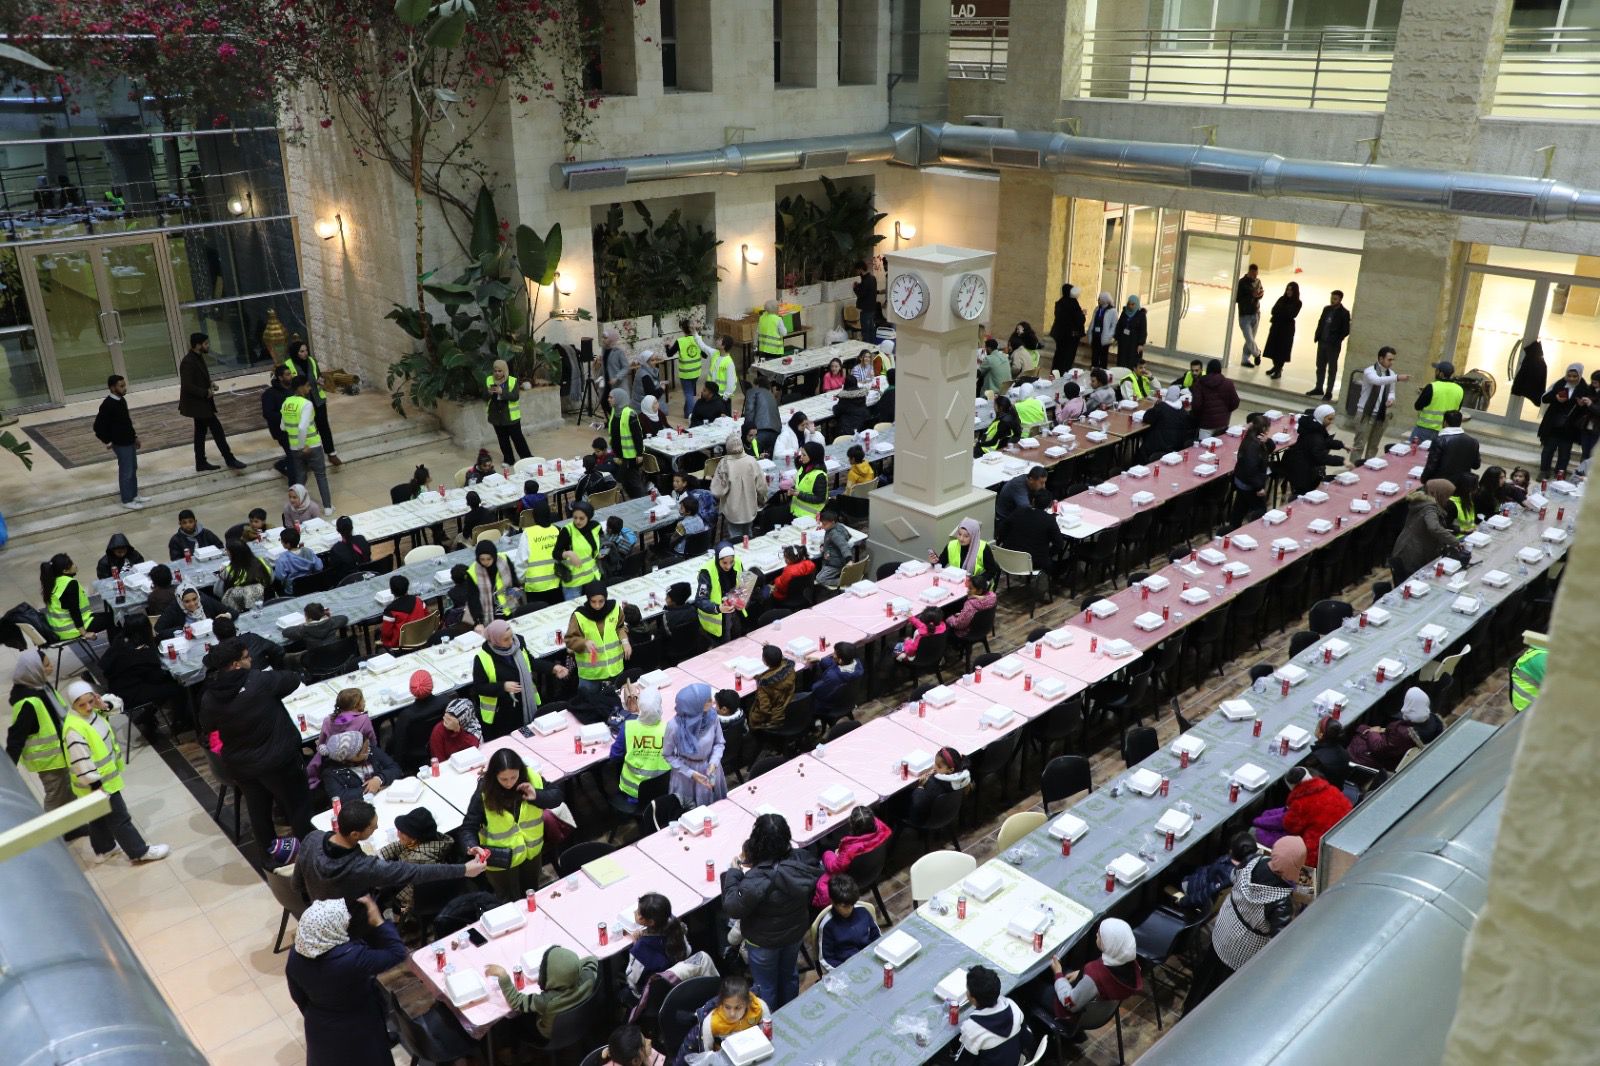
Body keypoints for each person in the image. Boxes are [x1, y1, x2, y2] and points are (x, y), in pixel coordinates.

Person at [200, 639, 316, 844]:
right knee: (298, 808)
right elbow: (292, 679)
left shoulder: (210, 696)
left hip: (242, 765)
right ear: (235, 664)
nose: (251, 659)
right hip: (277, 761)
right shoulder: (258, 680)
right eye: (246, 657)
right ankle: (309, 849)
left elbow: (207, 726)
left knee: (259, 814)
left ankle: (269, 856)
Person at [1182, 836, 1305, 1013]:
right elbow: (1278, 943)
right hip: (1240, 953)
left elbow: (1233, 876)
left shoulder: (1253, 861)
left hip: (1222, 932)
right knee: (1219, 998)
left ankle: (1187, 1015)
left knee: (1203, 982)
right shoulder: (1281, 902)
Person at [286, 896, 407, 1066]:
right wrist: (378, 921)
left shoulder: (295, 955)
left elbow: (299, 997)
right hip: (359, 1026)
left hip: (320, 1027)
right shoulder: (350, 959)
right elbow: (397, 952)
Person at [60, 680, 169, 863]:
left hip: (102, 780)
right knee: (120, 818)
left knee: (98, 817)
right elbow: (81, 763)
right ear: (73, 705)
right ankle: (139, 852)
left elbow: (117, 706)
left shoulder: (94, 711)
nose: (88, 707)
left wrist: (103, 704)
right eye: (82, 705)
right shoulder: (74, 730)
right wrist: (97, 787)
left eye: (90, 701)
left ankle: (104, 849)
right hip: (98, 784)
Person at [721, 813, 822, 1009]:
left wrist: (734, 872)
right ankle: (790, 1013)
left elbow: (732, 907)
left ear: (757, 841)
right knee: (789, 975)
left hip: (763, 941)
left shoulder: (756, 879)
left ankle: (770, 1020)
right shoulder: (802, 861)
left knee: (766, 986)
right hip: (794, 932)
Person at [295, 799, 485, 899]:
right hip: (355, 924)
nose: (377, 828)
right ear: (355, 834)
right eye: (372, 827)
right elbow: (416, 872)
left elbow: (297, 884)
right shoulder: (363, 868)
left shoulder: (312, 838)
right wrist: (464, 869)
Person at [456, 746, 564, 899]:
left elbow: (557, 796)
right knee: (508, 899)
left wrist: (537, 796)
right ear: (494, 776)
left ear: (520, 770)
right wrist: (471, 845)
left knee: (531, 894)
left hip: (531, 853)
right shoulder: (484, 792)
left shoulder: (532, 777)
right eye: (504, 779)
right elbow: (468, 827)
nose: (509, 783)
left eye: (514, 777)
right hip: (501, 861)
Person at [479, 618, 569, 740]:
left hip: (526, 700)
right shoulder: (483, 658)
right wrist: (503, 686)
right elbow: (479, 687)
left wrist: (553, 668)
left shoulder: (518, 643)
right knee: (514, 740)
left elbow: (530, 662)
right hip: (503, 711)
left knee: (530, 737)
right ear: (495, 640)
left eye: (511, 636)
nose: (511, 642)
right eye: (506, 639)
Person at [7, 651, 73, 814]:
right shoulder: (28, 703)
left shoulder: (43, 686)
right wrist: (8, 769)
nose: (51, 667)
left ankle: (74, 824)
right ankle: (52, 828)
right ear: (34, 669)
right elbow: (16, 738)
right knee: (56, 798)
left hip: (63, 753)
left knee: (70, 793)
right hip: (49, 762)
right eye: (46, 665)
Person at [1047, 918, 1143, 1025]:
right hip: (1099, 1010)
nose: (1097, 934)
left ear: (1109, 944)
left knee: (1036, 986)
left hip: (1073, 1013)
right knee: (1064, 973)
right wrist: (1081, 973)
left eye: (1100, 935)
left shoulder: (1094, 976)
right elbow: (1100, 976)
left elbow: (1069, 1004)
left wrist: (1058, 974)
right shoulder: (1128, 961)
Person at [99, 616, 186, 735]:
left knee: (165, 685)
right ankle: (180, 722)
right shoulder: (142, 652)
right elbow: (156, 678)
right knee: (177, 687)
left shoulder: (119, 641)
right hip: (130, 695)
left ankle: (148, 715)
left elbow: (103, 665)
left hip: (115, 688)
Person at [1255, 765, 1351, 867]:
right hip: (1342, 839)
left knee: (1257, 832)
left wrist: (1258, 821)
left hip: (1314, 854)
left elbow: (1290, 827)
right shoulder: (1332, 789)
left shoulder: (1300, 804)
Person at [178, 332, 244, 471]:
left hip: (202, 404)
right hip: (198, 404)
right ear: (198, 345)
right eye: (206, 343)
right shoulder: (188, 362)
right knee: (217, 430)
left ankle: (201, 462)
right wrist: (205, 392)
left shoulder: (198, 357)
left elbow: (199, 377)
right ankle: (229, 459)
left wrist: (210, 383)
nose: (208, 346)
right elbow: (187, 385)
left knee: (200, 433)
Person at [377, 807, 456, 924]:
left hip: (415, 897)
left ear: (414, 839)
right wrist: (380, 855)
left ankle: (402, 919)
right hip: (423, 882)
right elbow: (400, 845)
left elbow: (405, 890)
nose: (398, 834)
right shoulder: (428, 839)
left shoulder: (418, 859)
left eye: (402, 833)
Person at [661, 683, 726, 806]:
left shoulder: (712, 717)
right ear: (695, 705)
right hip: (685, 774)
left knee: (715, 806)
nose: (713, 702)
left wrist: (713, 763)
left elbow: (719, 743)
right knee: (689, 810)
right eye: (708, 700)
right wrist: (691, 773)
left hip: (711, 768)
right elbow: (668, 755)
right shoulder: (674, 726)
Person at [1391, 479, 1469, 582]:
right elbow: (1434, 527)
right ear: (1440, 495)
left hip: (1411, 548)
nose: (1448, 499)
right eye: (1447, 496)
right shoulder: (1429, 509)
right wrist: (1454, 541)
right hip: (1412, 553)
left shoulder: (1424, 504)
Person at [812, 806, 892, 906]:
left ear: (852, 826)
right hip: (874, 871)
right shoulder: (882, 831)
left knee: (822, 852)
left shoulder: (851, 849)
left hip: (852, 880)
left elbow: (834, 868)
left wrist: (827, 854)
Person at [676, 975, 767, 1063]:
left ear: (747, 1003)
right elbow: (707, 1055)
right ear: (720, 1003)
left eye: (738, 1008)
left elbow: (767, 1032)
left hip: (751, 1052)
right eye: (727, 1007)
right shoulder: (711, 1023)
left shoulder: (759, 1008)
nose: (732, 1014)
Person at [1349, 688, 1440, 773]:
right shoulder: (1431, 721)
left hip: (1379, 759)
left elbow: (1378, 747)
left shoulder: (1402, 733)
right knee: (1362, 728)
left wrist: (1372, 733)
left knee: (1356, 734)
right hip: (1394, 754)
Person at [1345, 345, 1408, 463]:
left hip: (1381, 414)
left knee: (1373, 446)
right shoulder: (1370, 371)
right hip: (1365, 413)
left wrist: (1391, 399)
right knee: (1359, 444)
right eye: (1389, 359)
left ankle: (1369, 467)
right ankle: (1353, 468)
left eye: (1393, 360)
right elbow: (1377, 381)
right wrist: (1397, 378)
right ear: (1380, 359)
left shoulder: (1391, 373)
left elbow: (1391, 391)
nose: (1392, 362)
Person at [283, 339, 341, 465]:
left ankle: (331, 453)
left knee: (324, 426)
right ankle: (309, 456)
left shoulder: (312, 361)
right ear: (295, 353)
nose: (305, 353)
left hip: (317, 399)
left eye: (306, 350)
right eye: (301, 351)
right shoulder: (288, 364)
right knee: (308, 429)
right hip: (302, 403)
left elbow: (318, 375)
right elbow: (288, 384)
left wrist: (321, 381)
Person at [565, 582, 630, 694]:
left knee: (616, 701)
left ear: (605, 598)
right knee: (588, 703)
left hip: (614, 669)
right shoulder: (579, 616)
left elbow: (620, 627)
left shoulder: (615, 609)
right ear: (588, 599)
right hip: (591, 675)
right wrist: (584, 642)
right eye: (593, 602)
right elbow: (569, 640)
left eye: (601, 601)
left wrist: (625, 641)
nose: (597, 606)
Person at [94, 374, 146, 508]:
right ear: (112, 388)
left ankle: (134, 495)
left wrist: (135, 437)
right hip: (120, 444)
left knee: (133, 468)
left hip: (129, 441)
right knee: (126, 471)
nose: (124, 388)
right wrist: (107, 441)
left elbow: (127, 422)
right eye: (121, 386)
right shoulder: (107, 405)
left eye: (124, 385)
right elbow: (98, 426)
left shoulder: (122, 400)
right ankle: (127, 500)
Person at [625, 891, 690, 999]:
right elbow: (688, 950)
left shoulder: (640, 949)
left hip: (652, 995)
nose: (635, 912)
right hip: (677, 982)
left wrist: (636, 944)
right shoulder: (677, 927)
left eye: (639, 913)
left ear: (651, 922)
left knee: (624, 993)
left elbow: (632, 981)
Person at [957, 965, 1025, 1065]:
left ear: (973, 999)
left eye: (967, 990)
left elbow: (963, 1062)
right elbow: (1025, 1039)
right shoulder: (1013, 1007)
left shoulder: (971, 1029)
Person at [1537, 362, 1594, 478]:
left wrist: (1581, 405)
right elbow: (1545, 398)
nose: (1571, 379)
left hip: (1570, 427)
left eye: (1575, 376)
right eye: (1569, 376)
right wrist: (1556, 398)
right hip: (1554, 424)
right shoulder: (1559, 384)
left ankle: (1560, 473)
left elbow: (1588, 410)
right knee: (1548, 450)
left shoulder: (1584, 389)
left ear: (1579, 376)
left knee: (1564, 453)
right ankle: (1544, 471)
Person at [317, 730, 403, 805]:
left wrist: (379, 779)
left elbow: (395, 768)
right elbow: (339, 797)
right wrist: (370, 788)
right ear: (349, 757)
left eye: (368, 746)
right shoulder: (331, 773)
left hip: (385, 797)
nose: (368, 750)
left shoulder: (372, 752)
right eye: (364, 750)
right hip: (359, 808)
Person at [815, 873, 880, 972]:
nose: (849, 909)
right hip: (846, 968)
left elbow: (877, 936)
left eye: (852, 904)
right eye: (844, 906)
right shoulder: (827, 926)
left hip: (869, 960)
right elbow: (826, 959)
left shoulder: (863, 911)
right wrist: (845, 971)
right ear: (833, 902)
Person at [1281, 404, 1347, 496]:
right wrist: (1342, 461)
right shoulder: (1315, 435)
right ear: (1321, 417)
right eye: (1329, 419)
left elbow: (1325, 441)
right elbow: (1321, 457)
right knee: (1302, 496)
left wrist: (1341, 445)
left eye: (1332, 419)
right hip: (1302, 471)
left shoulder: (1313, 426)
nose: (1331, 422)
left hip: (1301, 464)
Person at [1002, 495, 1066, 575]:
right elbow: (1059, 544)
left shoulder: (1019, 511)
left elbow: (1003, 529)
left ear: (1033, 501)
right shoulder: (1049, 520)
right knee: (1061, 565)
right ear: (1049, 505)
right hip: (1033, 563)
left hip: (1007, 556)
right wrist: (1048, 554)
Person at [484, 357, 532, 463]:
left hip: (510, 417)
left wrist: (502, 392)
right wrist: (488, 393)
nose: (497, 373)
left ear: (505, 370)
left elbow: (515, 397)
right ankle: (509, 459)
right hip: (496, 417)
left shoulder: (512, 381)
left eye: (500, 371)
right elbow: (483, 397)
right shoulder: (489, 380)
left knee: (518, 438)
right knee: (503, 439)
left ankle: (527, 458)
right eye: (495, 371)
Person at [907, 747, 970, 824]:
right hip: (948, 813)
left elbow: (918, 802)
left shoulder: (932, 784)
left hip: (926, 819)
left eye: (939, 766)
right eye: (935, 763)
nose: (934, 767)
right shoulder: (962, 779)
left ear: (950, 770)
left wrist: (920, 786)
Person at [39, 554, 95, 642]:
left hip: (57, 631)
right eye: (72, 564)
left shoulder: (53, 582)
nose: (75, 565)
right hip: (71, 630)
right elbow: (74, 610)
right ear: (65, 570)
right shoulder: (69, 583)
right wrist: (84, 633)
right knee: (113, 619)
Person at [1308, 289, 1351, 399]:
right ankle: (1319, 388)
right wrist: (1318, 335)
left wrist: (1337, 339)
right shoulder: (1326, 309)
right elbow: (1321, 322)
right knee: (1320, 366)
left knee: (1332, 368)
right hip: (1322, 342)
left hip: (1333, 345)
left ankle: (1329, 391)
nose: (1332, 300)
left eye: (1335, 299)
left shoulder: (1344, 313)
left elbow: (1346, 330)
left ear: (1340, 300)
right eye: (1332, 298)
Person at [1138, 385, 1198, 462]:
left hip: (1158, 445)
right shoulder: (1183, 412)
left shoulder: (1161, 407)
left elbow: (1146, 418)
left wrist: (1155, 406)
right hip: (1176, 447)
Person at [1412, 360, 1466, 445]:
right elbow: (1457, 409)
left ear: (1441, 373)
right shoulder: (1460, 389)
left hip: (1425, 430)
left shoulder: (1432, 387)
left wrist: (1423, 394)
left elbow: (1417, 406)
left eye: (1436, 370)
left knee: (1415, 451)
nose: (1435, 372)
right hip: (1446, 432)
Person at [809, 641, 862, 723]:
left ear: (840, 661)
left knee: (808, 697)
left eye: (834, 654)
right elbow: (834, 664)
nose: (832, 655)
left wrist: (814, 684)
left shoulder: (833, 677)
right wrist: (820, 659)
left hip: (831, 706)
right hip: (849, 699)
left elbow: (818, 691)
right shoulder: (857, 664)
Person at [608, 387, 646, 498]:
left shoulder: (630, 414)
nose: (609, 399)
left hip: (631, 456)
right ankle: (634, 499)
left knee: (633, 481)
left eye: (611, 397)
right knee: (626, 481)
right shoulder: (615, 411)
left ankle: (641, 500)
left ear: (619, 398)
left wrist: (639, 453)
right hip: (620, 455)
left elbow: (638, 435)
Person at [214, 539, 272, 611]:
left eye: (227, 551)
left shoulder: (229, 570)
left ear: (232, 554)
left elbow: (217, 591)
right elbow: (271, 579)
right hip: (265, 601)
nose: (226, 553)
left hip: (240, 608)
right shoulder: (262, 561)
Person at [749, 644, 795, 733]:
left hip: (774, 719)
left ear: (765, 661)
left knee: (752, 717)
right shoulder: (790, 669)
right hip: (787, 704)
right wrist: (770, 650)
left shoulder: (765, 685)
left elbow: (765, 709)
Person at [262, 361, 296, 478]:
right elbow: (268, 414)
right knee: (292, 455)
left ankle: (281, 464)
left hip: (296, 428)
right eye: (287, 374)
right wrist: (287, 416)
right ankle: (293, 480)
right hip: (282, 431)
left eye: (290, 373)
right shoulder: (270, 394)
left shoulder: (294, 389)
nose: (291, 376)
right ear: (280, 378)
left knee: (297, 454)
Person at [155, 584, 225, 640]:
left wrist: (225, 617)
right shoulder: (174, 608)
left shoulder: (205, 601)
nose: (192, 604)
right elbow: (158, 630)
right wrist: (181, 630)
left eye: (194, 599)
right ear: (180, 601)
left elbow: (229, 611)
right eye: (187, 601)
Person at [930, 517, 994, 577]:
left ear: (973, 536)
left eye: (966, 536)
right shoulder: (951, 545)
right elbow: (941, 564)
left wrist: (976, 580)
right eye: (959, 534)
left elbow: (992, 571)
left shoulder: (984, 548)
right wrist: (934, 562)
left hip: (977, 583)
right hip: (956, 580)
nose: (961, 539)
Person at [377, 575, 429, 649]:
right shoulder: (419, 601)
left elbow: (386, 633)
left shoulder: (390, 611)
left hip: (401, 644)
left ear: (391, 591)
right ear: (407, 588)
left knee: (377, 633)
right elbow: (427, 617)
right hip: (421, 637)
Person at [1262, 281, 1301, 379]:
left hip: (1287, 330)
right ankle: (1276, 367)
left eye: (1291, 290)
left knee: (1282, 350)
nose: (1289, 292)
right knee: (1273, 348)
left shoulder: (1298, 303)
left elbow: (1292, 314)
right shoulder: (1281, 299)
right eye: (1288, 289)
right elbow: (1273, 310)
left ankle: (1278, 369)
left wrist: (1281, 311)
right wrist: (1283, 312)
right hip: (1276, 327)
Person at [1192, 359, 1240, 437]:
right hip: (1222, 424)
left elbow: (1196, 405)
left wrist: (1200, 417)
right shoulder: (1228, 383)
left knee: (1203, 444)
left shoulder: (1200, 383)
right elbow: (1235, 402)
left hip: (1205, 424)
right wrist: (1225, 412)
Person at [428, 697, 483, 762]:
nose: (446, 719)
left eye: (452, 717)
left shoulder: (472, 726)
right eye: (447, 714)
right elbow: (439, 760)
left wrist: (458, 731)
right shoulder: (439, 730)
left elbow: (474, 748)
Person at [946, 573, 998, 639]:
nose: (968, 590)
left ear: (980, 590)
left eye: (970, 588)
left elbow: (958, 625)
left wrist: (949, 618)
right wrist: (974, 596)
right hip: (985, 628)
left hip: (969, 632)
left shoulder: (970, 605)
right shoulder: (993, 597)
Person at [742, 369, 781, 456]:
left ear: (757, 385)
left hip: (760, 431)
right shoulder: (771, 396)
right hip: (776, 433)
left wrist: (746, 430)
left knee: (753, 457)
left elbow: (749, 411)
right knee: (769, 457)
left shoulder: (752, 391)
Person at [273, 527, 324, 593]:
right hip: (311, 586)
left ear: (288, 544)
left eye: (282, 541)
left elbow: (280, 577)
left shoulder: (283, 559)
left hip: (293, 590)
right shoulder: (308, 551)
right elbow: (319, 567)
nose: (281, 543)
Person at [1049, 283, 1086, 372]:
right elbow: (1078, 320)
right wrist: (1083, 314)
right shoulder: (1073, 303)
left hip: (1060, 334)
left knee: (1059, 354)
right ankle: (1064, 373)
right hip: (1071, 336)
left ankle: (1055, 372)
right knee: (1068, 357)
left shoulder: (1060, 302)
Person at [790, 441, 829, 521]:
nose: (801, 457)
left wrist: (798, 494)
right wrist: (793, 490)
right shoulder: (803, 468)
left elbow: (820, 499)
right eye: (801, 454)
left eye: (804, 455)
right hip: (796, 512)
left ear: (813, 456)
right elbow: (803, 486)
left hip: (811, 517)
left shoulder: (819, 476)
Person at [1235, 263, 1264, 367]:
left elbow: (1260, 292)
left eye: (1256, 274)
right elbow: (1237, 298)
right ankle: (1257, 353)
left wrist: (1260, 295)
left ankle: (1245, 360)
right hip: (1244, 315)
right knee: (1249, 338)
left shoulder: (1258, 281)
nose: (1255, 277)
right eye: (1253, 274)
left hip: (1255, 314)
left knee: (1250, 339)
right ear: (1249, 272)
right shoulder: (1242, 283)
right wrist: (1251, 294)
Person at [813, 509, 852, 588]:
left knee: (820, 579)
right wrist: (825, 546)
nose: (822, 526)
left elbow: (844, 546)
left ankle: (843, 581)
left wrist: (849, 560)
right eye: (822, 523)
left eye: (824, 524)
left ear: (833, 522)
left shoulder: (834, 534)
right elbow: (847, 536)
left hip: (835, 563)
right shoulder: (838, 526)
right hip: (834, 559)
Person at [328, 515, 372, 580]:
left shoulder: (336, 549)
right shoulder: (361, 539)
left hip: (350, 581)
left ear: (338, 530)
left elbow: (335, 570)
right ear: (352, 527)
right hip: (368, 575)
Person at [601, 326, 632, 414]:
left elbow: (626, 367)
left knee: (618, 405)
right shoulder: (604, 349)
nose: (603, 340)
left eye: (605, 338)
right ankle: (613, 419)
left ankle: (617, 420)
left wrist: (617, 377)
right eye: (603, 337)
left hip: (618, 383)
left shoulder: (618, 351)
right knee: (604, 402)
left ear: (611, 339)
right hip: (608, 382)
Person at [600, 514, 640, 580]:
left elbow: (600, 555)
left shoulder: (609, 544)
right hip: (624, 562)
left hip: (613, 567)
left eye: (606, 526)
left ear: (610, 530)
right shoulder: (623, 535)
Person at [1113, 295, 1147, 369]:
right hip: (1123, 340)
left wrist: (1141, 344)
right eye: (1129, 304)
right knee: (1122, 359)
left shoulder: (1141, 315)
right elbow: (1119, 325)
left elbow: (1143, 330)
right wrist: (1116, 337)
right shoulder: (1125, 312)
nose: (1130, 306)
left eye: (1132, 304)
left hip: (1134, 342)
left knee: (1132, 361)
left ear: (1136, 304)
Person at [851, 260, 879, 340]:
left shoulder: (866, 281)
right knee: (872, 330)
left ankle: (867, 346)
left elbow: (861, 294)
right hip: (872, 308)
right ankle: (873, 345)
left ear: (860, 269)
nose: (856, 272)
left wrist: (855, 288)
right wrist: (859, 285)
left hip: (865, 310)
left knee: (866, 332)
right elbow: (869, 291)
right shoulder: (873, 278)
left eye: (857, 270)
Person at [1088, 292, 1115, 369]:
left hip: (1104, 337)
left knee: (1103, 356)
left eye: (1099, 299)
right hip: (1095, 335)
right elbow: (1093, 321)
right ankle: (1094, 370)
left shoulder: (1112, 311)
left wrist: (1109, 336)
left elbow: (1114, 325)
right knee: (1094, 355)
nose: (1098, 300)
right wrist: (1090, 332)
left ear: (1104, 300)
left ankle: (1102, 371)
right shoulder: (1097, 309)